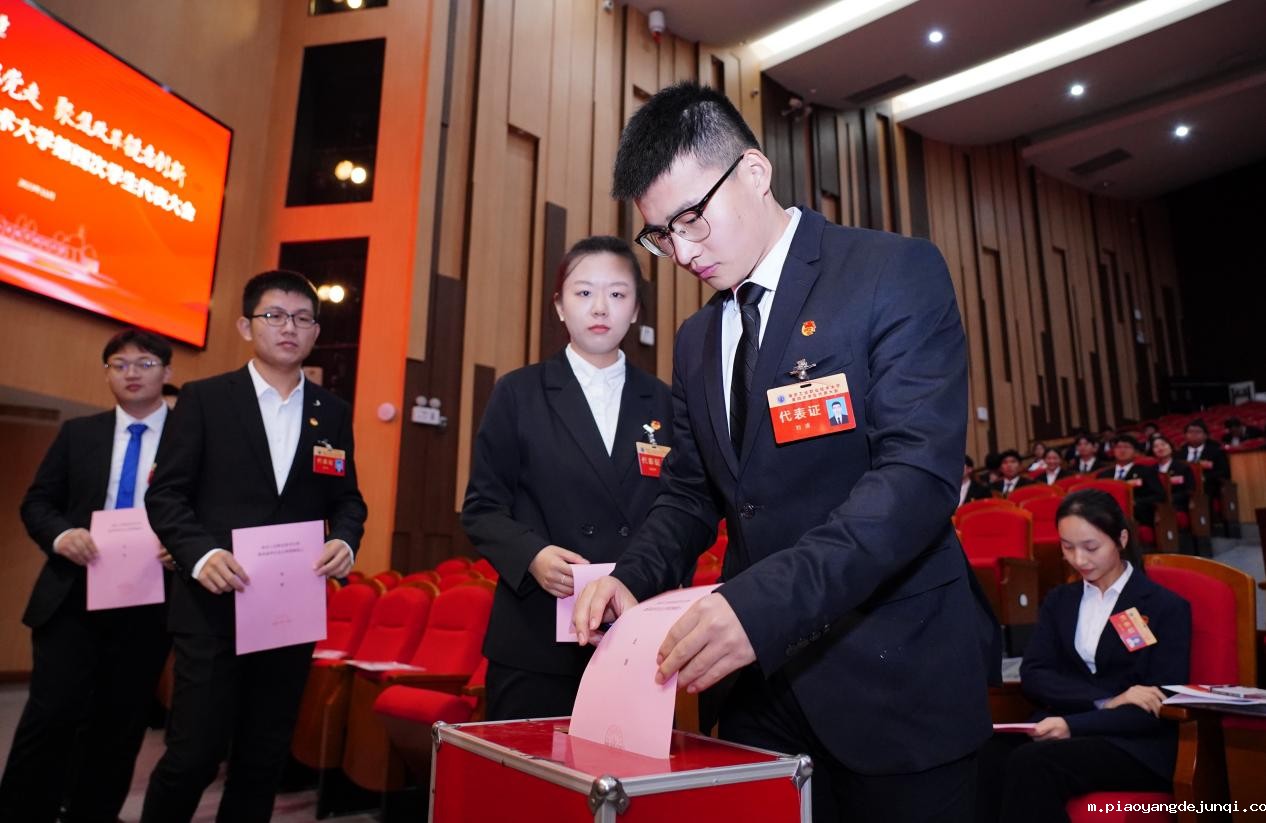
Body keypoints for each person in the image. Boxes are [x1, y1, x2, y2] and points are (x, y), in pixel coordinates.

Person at [574, 81, 998, 823]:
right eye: (660, 235)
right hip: (761, 693)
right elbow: (692, 492)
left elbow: (914, 480)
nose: (682, 252)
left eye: (692, 220)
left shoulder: (890, 272)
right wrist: (632, 578)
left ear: (755, 172)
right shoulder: (697, 338)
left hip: (893, 681)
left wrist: (762, 607)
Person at [140, 271, 367, 823]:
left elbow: (347, 499)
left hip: (289, 612)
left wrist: (345, 538)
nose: (289, 327)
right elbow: (165, 495)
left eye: (302, 318)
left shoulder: (331, 411)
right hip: (213, 606)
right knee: (193, 756)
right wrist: (201, 555)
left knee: (262, 760)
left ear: (316, 332)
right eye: (274, 316)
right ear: (246, 326)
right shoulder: (205, 399)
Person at [461, 236, 677, 720]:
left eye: (617, 294)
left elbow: (679, 508)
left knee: (631, 766)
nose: (600, 307)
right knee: (530, 768)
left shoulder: (665, 401)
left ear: (636, 310)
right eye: (583, 293)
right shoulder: (518, 393)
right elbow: (482, 509)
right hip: (536, 634)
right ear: (559, 306)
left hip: (634, 631)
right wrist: (532, 556)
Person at [0, 329, 175, 823]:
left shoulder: (192, 439)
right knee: (49, 717)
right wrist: (61, 535)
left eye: (144, 363)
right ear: (107, 374)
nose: (131, 373)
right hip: (72, 596)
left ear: (167, 371)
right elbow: (38, 502)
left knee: (119, 728)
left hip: (149, 603)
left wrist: (186, 548)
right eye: (119, 364)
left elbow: (212, 513)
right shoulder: (79, 433)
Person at [987, 489, 1191, 823]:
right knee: (988, 753)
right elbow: (1035, 674)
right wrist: (1106, 700)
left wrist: (1074, 724)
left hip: (1134, 743)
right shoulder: (1059, 601)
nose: (1079, 559)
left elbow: (1153, 704)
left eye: (1091, 547)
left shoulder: (1164, 607)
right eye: (1068, 547)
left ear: (1121, 539)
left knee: (1034, 762)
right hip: (1067, 724)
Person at [1096, 436, 1164, 529]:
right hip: (1108, 514)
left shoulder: (1146, 471)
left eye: (1126, 447)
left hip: (1137, 515)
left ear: (1135, 452)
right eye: (1119, 447)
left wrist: (1134, 502)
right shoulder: (1103, 475)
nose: (1122, 450)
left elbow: (1159, 495)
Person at [1182, 419, 1229, 498]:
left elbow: (1224, 472)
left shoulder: (1216, 451)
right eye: (1190, 432)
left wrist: (1204, 478)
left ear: (1206, 435)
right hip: (1185, 487)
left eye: (1198, 432)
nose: (1194, 434)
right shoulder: (1179, 452)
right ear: (1185, 435)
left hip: (1208, 485)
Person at [1149, 435, 1195, 513]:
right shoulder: (1151, 470)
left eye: (1163, 444)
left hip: (1178, 505)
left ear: (1170, 447)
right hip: (1156, 506)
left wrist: (1168, 499)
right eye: (1155, 446)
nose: (1160, 448)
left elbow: (1189, 490)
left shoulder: (1182, 467)